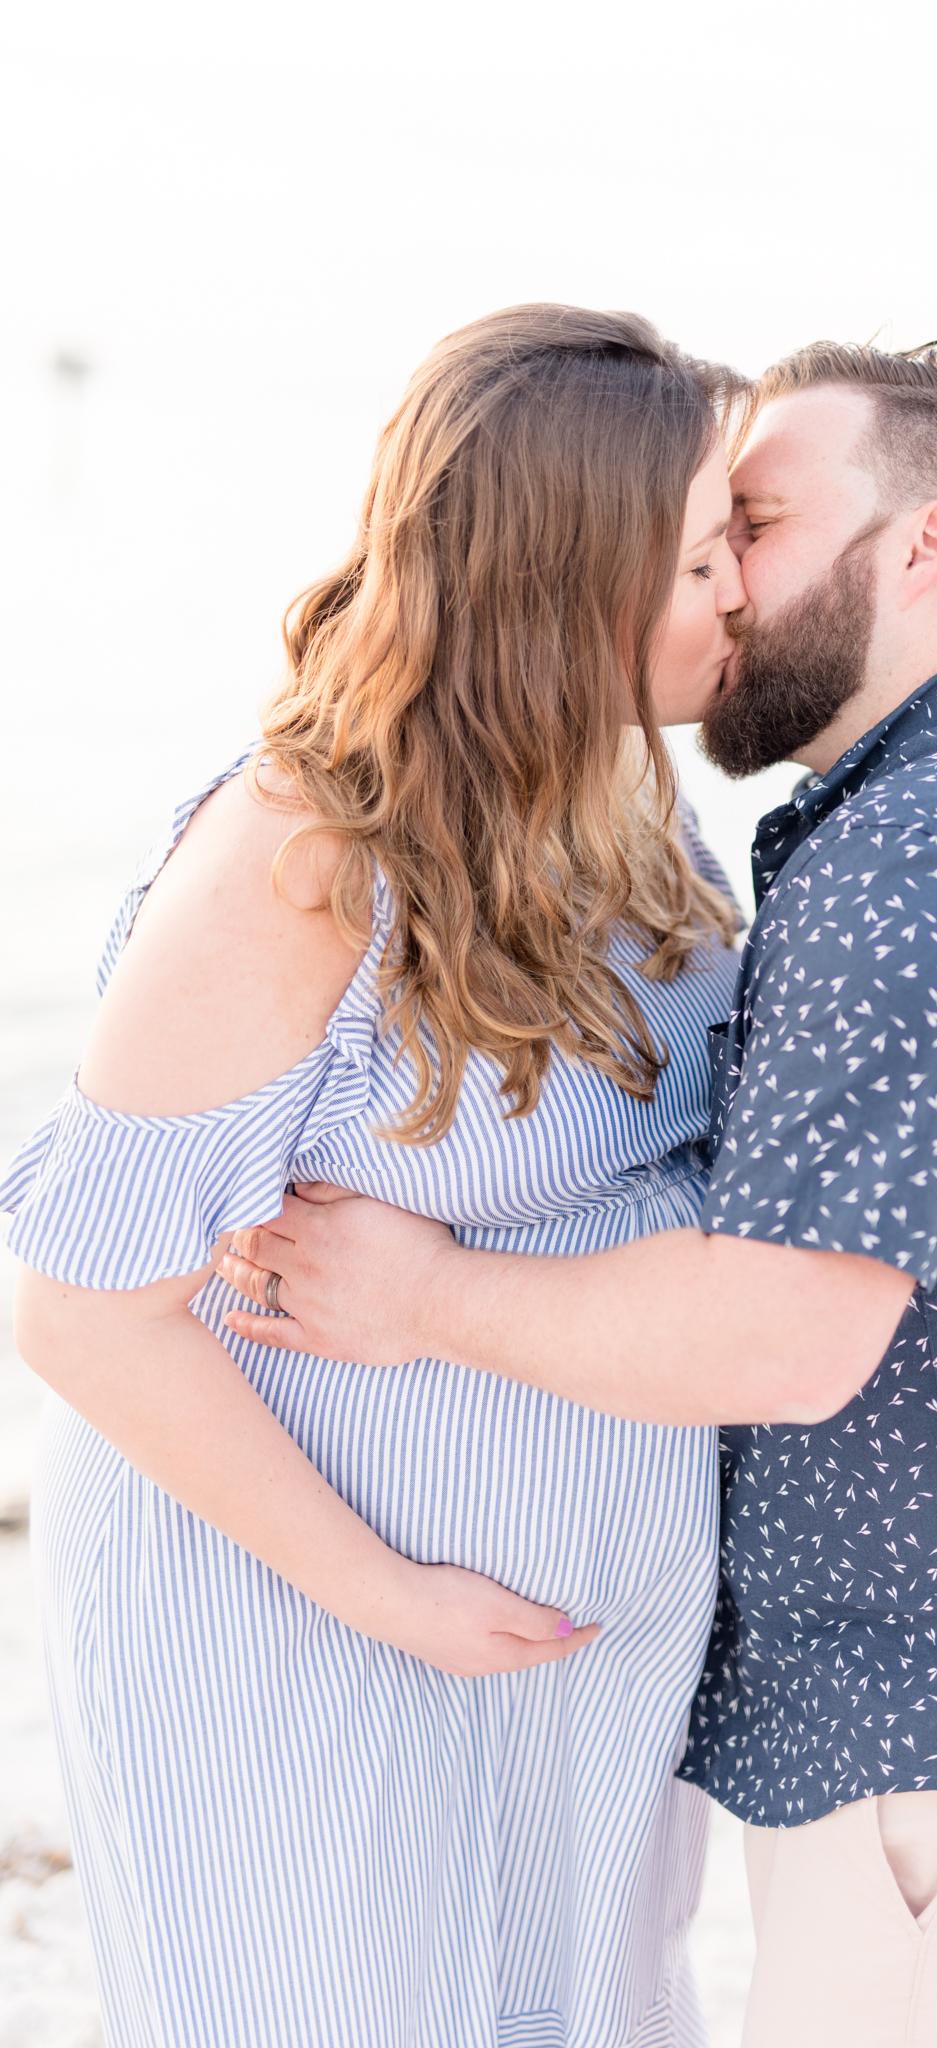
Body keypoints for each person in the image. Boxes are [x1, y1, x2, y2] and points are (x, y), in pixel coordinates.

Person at [220, 340, 937, 2048]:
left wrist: (415, 1297)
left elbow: (787, 1336)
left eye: (753, 525)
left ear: (923, 548)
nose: (709, 580)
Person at [1, 304, 790, 2048]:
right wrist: (388, 1593)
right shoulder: (302, 857)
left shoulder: (630, 803)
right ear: (563, 580)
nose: (741, 586)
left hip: (574, 1648)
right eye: (701, 552)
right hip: (305, 1620)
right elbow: (82, 1312)